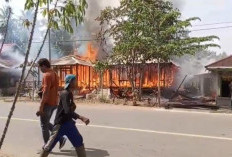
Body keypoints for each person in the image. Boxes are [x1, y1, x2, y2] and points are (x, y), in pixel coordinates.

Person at [40, 74, 90, 157]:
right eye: (75, 81)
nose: (76, 82)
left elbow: (68, 110)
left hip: (69, 123)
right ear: (70, 82)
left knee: (78, 141)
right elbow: (67, 111)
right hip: (61, 124)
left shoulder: (69, 93)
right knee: (49, 146)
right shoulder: (65, 93)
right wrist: (81, 117)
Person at [37, 58, 66, 150]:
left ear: (44, 66)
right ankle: (60, 138)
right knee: (46, 123)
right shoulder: (54, 74)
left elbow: (45, 92)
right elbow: (56, 88)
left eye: (40, 67)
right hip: (54, 102)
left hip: (47, 103)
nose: (40, 70)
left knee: (43, 125)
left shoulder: (47, 75)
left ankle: (47, 146)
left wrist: (41, 107)